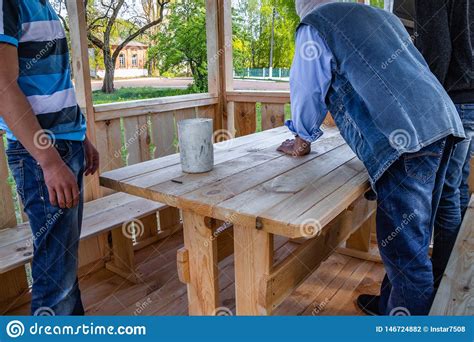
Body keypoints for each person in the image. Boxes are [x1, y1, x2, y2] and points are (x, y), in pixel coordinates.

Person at [278, 0, 465, 315]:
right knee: (408, 242)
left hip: (407, 140)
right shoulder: (380, 17)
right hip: (442, 124)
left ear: (304, 7)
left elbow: (307, 89)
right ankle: (393, 308)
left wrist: (302, 137)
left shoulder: (317, 24)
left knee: (406, 254)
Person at [0, 0, 99, 315]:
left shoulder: (43, 4)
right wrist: (49, 160)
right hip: (41, 155)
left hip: (64, 146)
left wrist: (80, 136)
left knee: (64, 269)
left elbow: (55, 83)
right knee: (56, 277)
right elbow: (2, 84)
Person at [415, 0, 474, 289]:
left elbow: (436, 49)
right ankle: (452, 277)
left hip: (453, 99)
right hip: (471, 100)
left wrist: (423, 102)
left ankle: (437, 285)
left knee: (442, 193)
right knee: (458, 185)